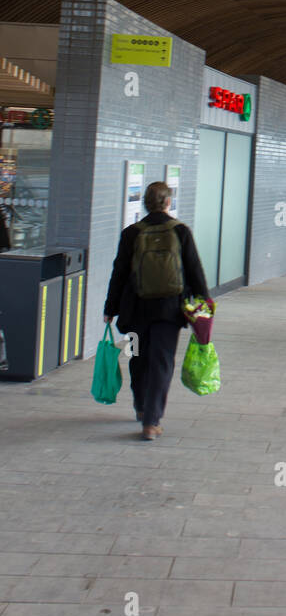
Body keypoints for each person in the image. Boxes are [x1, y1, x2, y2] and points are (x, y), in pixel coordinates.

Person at [103, 180, 209, 442]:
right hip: (169, 311)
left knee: (138, 358)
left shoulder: (131, 233)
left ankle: (140, 406)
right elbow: (194, 269)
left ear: (145, 203)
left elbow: (119, 272)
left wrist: (110, 308)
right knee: (162, 362)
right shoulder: (181, 231)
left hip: (135, 311)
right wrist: (205, 302)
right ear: (168, 202)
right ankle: (152, 421)